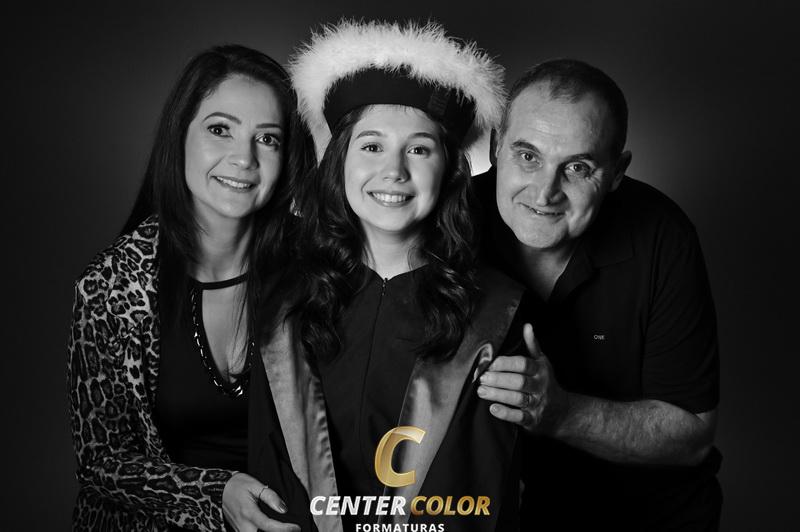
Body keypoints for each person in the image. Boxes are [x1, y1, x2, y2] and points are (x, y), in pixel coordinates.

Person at [249, 21, 526, 532]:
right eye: (371, 146)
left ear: (450, 170)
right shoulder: (284, 304)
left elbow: (480, 493)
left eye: (419, 149)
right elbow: (271, 474)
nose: (394, 171)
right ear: (340, 161)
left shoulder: (496, 313)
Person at [66, 45, 313, 532]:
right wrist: (215, 491)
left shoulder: (316, 267)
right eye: (220, 130)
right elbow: (100, 462)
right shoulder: (111, 285)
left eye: (267, 139)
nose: (243, 158)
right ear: (179, 135)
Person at [474, 59, 722, 530]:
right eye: (528, 157)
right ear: (495, 147)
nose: (544, 193)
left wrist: (560, 413)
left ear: (616, 173)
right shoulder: (447, 222)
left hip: (643, 517)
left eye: (577, 167)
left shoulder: (663, 236)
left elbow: (692, 435)